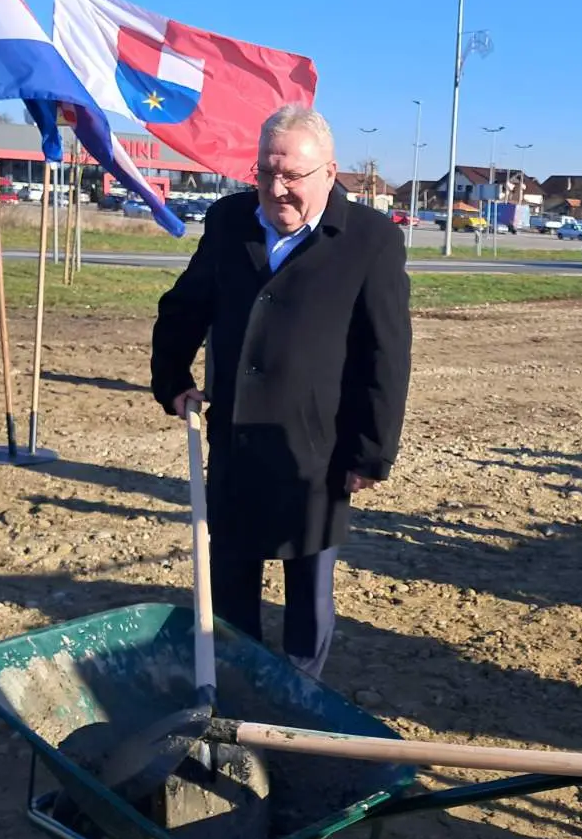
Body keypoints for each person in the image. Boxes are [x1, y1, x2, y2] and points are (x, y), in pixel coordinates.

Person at [150, 104, 412, 677]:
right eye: (265, 172)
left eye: (292, 175)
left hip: (316, 455)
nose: (277, 188)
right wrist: (172, 380)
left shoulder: (370, 240)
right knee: (231, 585)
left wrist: (370, 453)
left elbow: (386, 356)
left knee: (307, 603)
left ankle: (298, 711)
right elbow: (185, 306)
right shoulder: (228, 222)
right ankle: (238, 698)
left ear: (329, 172)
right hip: (236, 442)